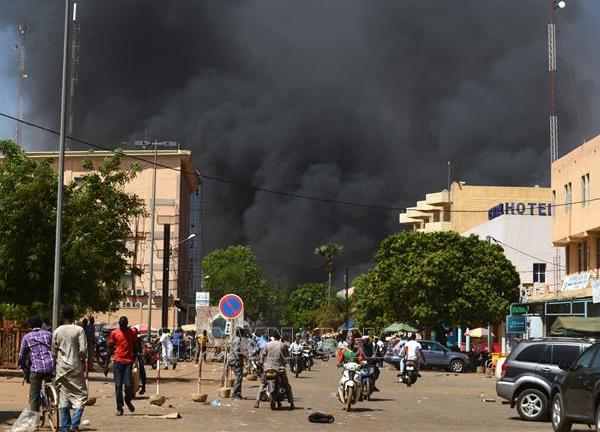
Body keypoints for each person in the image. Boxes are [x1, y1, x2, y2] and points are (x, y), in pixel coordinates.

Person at [52, 306, 88, 432]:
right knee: (81, 395)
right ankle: (74, 425)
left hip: (61, 367)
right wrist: (82, 358)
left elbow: (53, 351)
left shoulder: (57, 331)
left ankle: (65, 427)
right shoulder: (79, 330)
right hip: (75, 366)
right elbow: (83, 350)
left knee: (64, 397)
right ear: (73, 316)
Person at [18, 316, 54, 412]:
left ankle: (34, 422)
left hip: (37, 368)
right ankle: (52, 398)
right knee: (49, 380)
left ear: (30, 325)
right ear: (41, 324)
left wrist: (22, 365)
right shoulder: (49, 334)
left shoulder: (27, 337)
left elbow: (21, 355)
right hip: (50, 366)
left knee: (34, 395)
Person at [104, 316, 138, 415]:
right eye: (121, 325)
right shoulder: (114, 333)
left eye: (124, 325)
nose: (122, 327)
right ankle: (120, 408)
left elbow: (135, 346)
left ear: (127, 324)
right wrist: (106, 365)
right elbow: (109, 349)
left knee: (128, 385)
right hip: (117, 363)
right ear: (119, 324)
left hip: (128, 363)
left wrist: (135, 359)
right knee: (118, 386)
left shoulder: (132, 332)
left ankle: (127, 400)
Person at [254, 332, 294, 409]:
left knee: (262, 384)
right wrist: (285, 362)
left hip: (267, 368)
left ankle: (257, 402)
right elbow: (286, 357)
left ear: (272, 337)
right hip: (279, 369)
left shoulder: (267, 344)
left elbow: (262, 356)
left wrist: (261, 363)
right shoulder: (282, 345)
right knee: (286, 385)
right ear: (279, 338)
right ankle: (291, 403)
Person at [228, 327, 247, 400]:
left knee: (238, 377)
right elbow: (237, 352)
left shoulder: (235, 339)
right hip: (235, 361)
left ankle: (237, 393)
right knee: (238, 378)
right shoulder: (238, 340)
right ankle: (235, 394)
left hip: (234, 360)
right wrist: (244, 355)